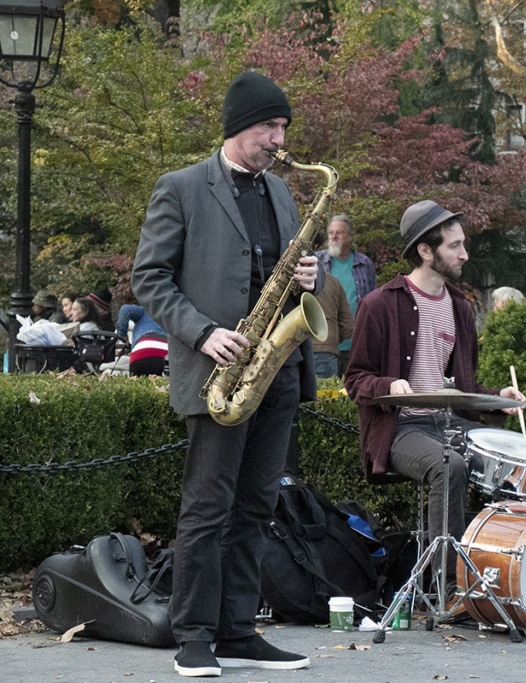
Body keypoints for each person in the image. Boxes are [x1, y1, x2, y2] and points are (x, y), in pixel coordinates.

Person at [132, 71, 321, 677]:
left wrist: (305, 282)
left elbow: (282, 272)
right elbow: (150, 277)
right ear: (239, 127)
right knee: (207, 509)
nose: (278, 137)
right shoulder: (181, 187)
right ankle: (193, 635)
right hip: (219, 369)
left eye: (283, 126)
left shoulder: (284, 194)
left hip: (275, 369)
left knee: (257, 508)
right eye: (270, 126)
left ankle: (239, 631)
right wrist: (203, 331)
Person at [344, 200, 525, 593]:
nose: (464, 254)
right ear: (426, 251)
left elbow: (465, 388)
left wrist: (499, 399)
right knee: (450, 468)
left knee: (518, 459)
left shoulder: (461, 308)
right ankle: (448, 586)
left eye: (463, 244)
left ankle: (509, 578)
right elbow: (355, 379)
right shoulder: (379, 304)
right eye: (454, 246)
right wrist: (387, 385)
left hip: (447, 422)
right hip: (400, 428)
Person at [315, 215, 377, 375]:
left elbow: (373, 303)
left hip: (356, 342)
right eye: (331, 233)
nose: (334, 236)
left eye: (339, 233)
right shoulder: (317, 262)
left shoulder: (364, 263)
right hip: (325, 345)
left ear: (350, 237)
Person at [312, 273, 354, 378]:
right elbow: (348, 326)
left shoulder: (284, 281)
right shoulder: (332, 281)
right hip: (326, 352)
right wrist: (330, 341)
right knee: (325, 393)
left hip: (291, 353)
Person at [116, 303, 169, 376]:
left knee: (137, 383)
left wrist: (123, 337)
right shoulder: (172, 312)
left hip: (140, 352)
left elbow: (125, 310)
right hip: (164, 353)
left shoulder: (143, 311)